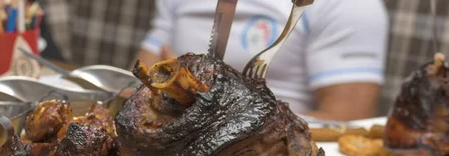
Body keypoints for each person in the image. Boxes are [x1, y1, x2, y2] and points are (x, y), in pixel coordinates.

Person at [135, 0, 389, 120]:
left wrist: (238, 114)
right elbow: (141, 81)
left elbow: (348, 121)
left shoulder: (351, 5)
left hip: (275, 152)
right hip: (168, 133)